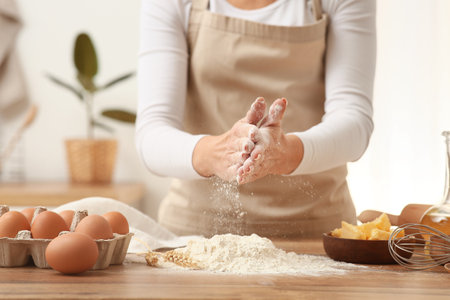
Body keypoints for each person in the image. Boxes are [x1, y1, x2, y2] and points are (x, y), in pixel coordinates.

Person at [136, 0, 376, 237]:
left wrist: (285, 152)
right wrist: (218, 153)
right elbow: (152, 134)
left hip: (318, 235)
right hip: (194, 237)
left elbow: (353, 121)